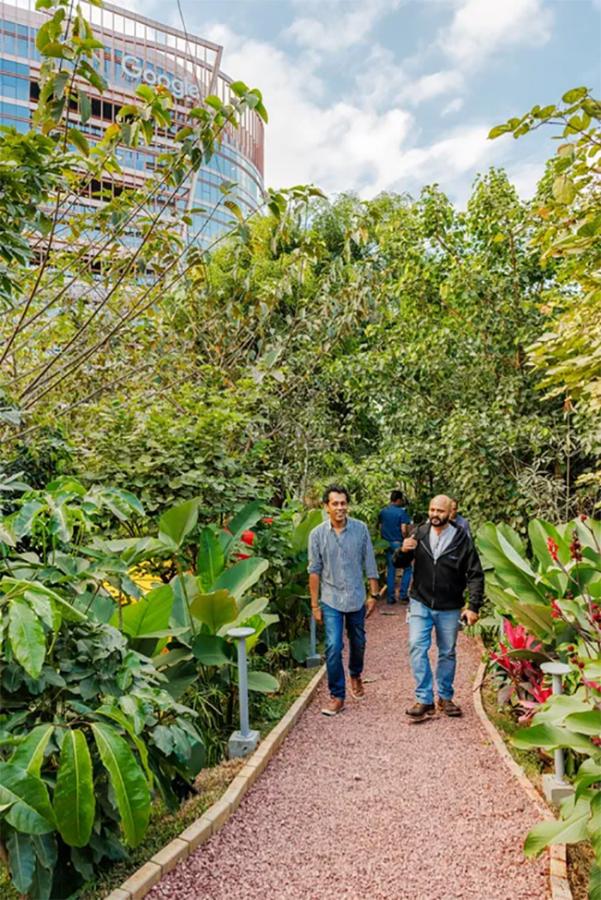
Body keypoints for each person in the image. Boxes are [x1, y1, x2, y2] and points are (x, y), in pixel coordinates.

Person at [394, 494, 484, 722]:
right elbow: (399, 563)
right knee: (416, 646)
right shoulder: (420, 533)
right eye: (432, 510)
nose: (435, 515)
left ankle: (444, 697)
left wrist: (472, 606)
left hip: (449, 606)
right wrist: (403, 551)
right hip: (420, 602)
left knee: (447, 652)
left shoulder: (462, 539)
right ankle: (424, 698)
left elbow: (475, 574)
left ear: (450, 512)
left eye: (440, 511)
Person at [308, 485, 379, 716]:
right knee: (333, 645)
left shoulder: (360, 529)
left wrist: (373, 594)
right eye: (335, 504)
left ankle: (356, 673)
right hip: (330, 599)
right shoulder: (317, 535)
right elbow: (314, 571)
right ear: (326, 507)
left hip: (357, 597)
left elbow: (369, 561)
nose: (340, 508)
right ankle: (337, 695)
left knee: (358, 642)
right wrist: (315, 605)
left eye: (343, 503)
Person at [377, 491, 412, 604]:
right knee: (407, 568)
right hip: (398, 543)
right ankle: (402, 595)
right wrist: (406, 539)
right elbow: (403, 529)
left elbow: (380, 526)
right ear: (398, 500)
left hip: (386, 543)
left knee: (391, 569)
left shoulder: (383, 512)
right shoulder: (402, 512)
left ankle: (390, 597)